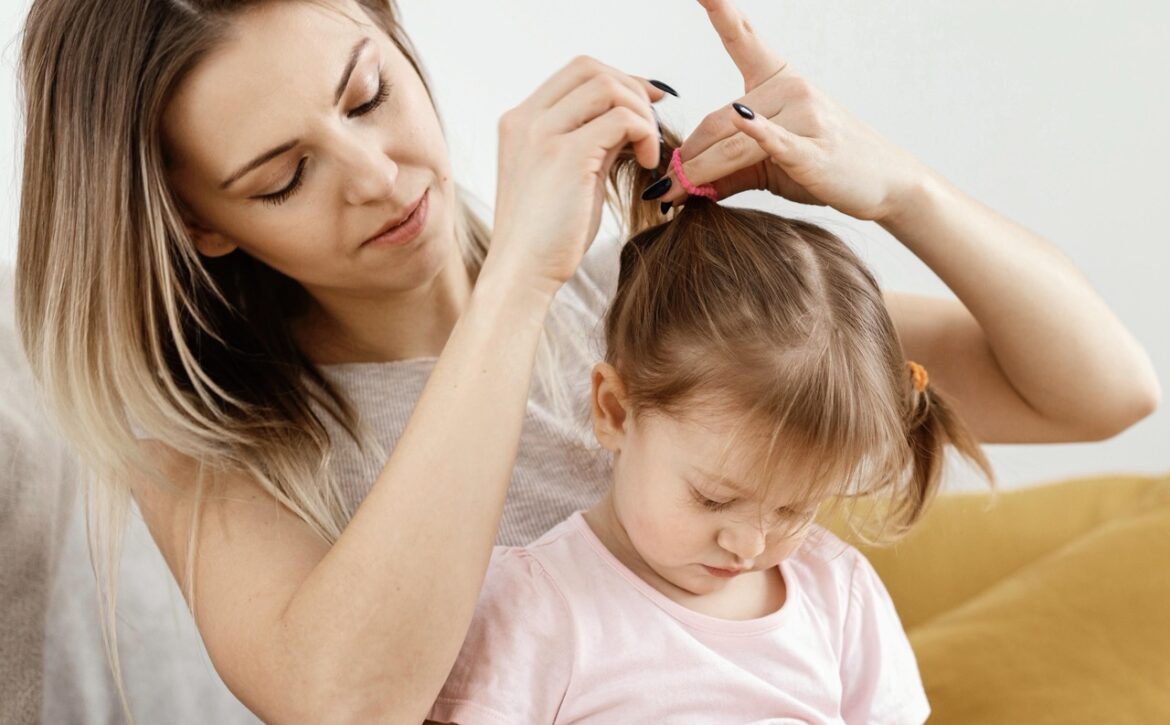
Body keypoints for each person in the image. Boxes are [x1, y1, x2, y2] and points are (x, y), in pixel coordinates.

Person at [12, 0, 1159, 721]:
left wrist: (896, 187)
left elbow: (1105, 392)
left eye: (366, 94)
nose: (375, 173)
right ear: (198, 220)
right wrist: (516, 278)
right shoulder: (206, 435)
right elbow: (347, 702)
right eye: (281, 176)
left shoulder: (647, 304)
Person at [425, 145, 991, 724]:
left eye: (795, 509)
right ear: (616, 411)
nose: (749, 545)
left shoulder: (837, 595)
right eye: (714, 498)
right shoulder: (533, 608)